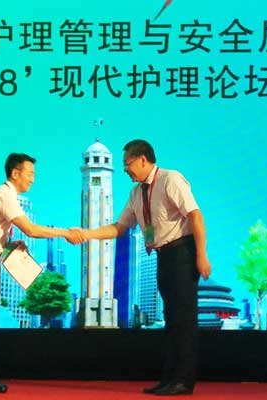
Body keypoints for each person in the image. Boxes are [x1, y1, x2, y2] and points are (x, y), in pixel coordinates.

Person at [74, 139, 211, 396]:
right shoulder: (137, 193)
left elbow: (195, 215)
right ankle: (169, 379)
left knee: (183, 321)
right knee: (171, 321)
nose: (125, 169)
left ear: (143, 160)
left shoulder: (170, 179)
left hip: (182, 253)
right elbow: (119, 227)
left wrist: (201, 255)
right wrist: (87, 234)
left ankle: (183, 381)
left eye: (127, 164)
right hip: (163, 256)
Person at [0, 153, 83, 394]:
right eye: (30, 173)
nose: (33, 179)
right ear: (15, 173)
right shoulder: (5, 195)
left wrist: (9, 246)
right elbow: (31, 230)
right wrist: (66, 232)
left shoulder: (6, 195)